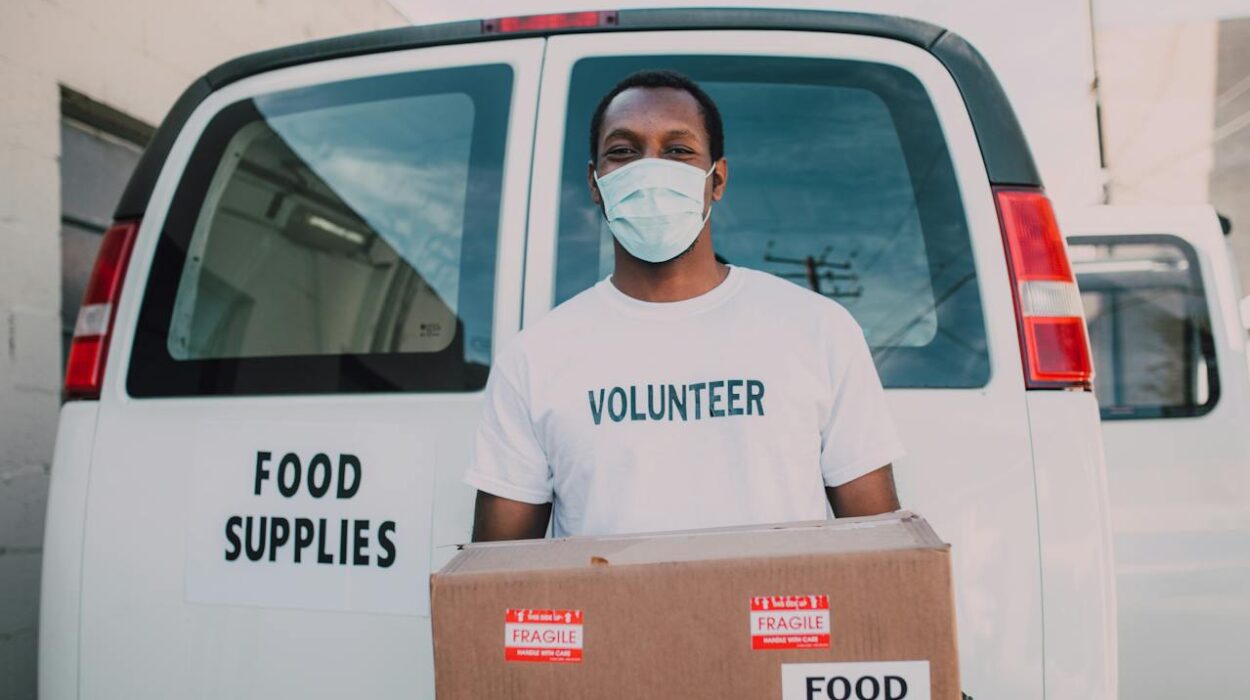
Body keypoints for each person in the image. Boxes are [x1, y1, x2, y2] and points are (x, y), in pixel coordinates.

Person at [465, 69, 904, 542]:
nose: (649, 171)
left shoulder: (818, 330)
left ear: (717, 179)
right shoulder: (534, 358)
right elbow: (497, 568)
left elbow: (881, 548)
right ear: (595, 182)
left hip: (774, 597)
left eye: (678, 151)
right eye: (623, 152)